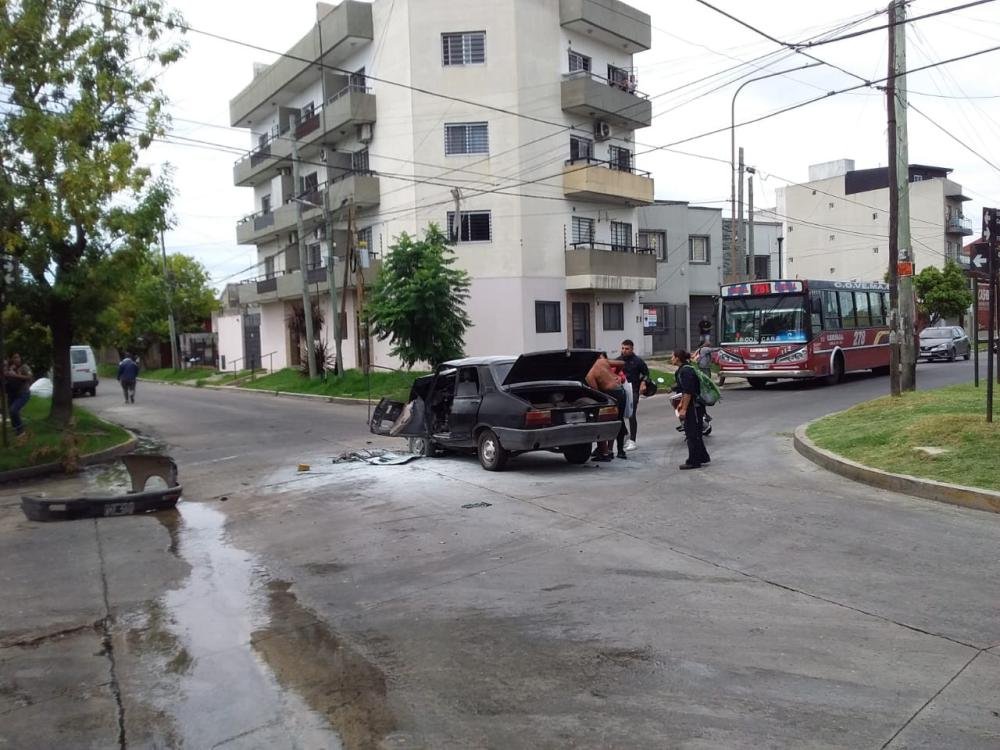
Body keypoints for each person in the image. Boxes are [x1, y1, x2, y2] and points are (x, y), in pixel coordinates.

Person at [671, 349, 710, 470]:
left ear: (678, 358)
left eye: (672, 356)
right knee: (695, 433)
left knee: (692, 434)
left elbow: (688, 392)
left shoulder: (686, 371)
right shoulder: (686, 368)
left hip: (694, 407)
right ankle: (702, 457)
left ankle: (693, 461)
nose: (671, 358)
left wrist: (683, 409)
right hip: (695, 406)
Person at [585, 352, 626, 462]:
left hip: (611, 394)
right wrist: (616, 375)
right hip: (621, 391)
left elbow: (596, 392)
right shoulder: (602, 361)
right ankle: (617, 450)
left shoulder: (590, 373)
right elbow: (622, 363)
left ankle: (604, 453)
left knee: (603, 421)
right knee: (618, 420)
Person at [617, 339, 648, 451]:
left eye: (627, 349)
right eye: (622, 348)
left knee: (631, 414)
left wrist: (643, 383)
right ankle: (625, 434)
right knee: (618, 414)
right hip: (620, 390)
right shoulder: (618, 361)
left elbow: (646, 374)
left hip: (634, 390)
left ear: (632, 349)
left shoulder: (638, 361)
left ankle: (633, 441)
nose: (624, 351)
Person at [5, 353, 33, 436]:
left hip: (24, 393)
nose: (16, 359)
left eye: (18, 357)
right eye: (14, 358)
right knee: (11, 412)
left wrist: (16, 375)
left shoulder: (24, 367)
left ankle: (21, 430)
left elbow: (29, 377)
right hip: (13, 394)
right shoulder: (10, 368)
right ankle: (16, 429)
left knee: (13, 410)